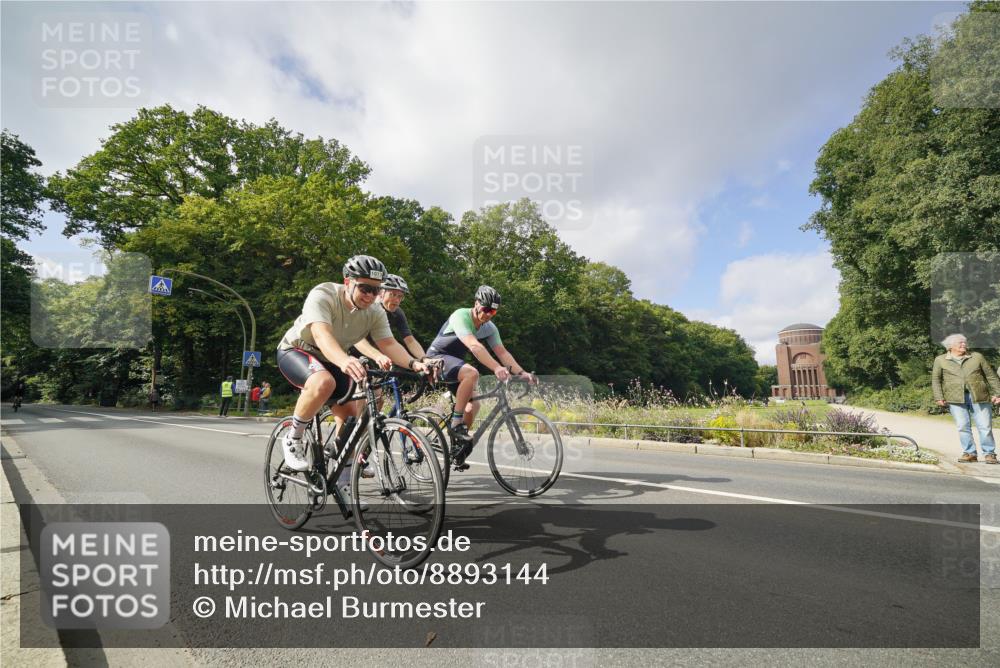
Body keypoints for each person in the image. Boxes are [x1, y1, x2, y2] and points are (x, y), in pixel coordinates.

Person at [275, 255, 435, 483]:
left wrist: (414, 364)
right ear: (348, 282)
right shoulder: (323, 294)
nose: (371, 296)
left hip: (333, 357)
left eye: (376, 290)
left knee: (352, 421)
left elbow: (389, 343)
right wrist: (344, 361)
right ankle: (294, 437)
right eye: (365, 288)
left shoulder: (375, 311)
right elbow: (322, 335)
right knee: (323, 382)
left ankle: (343, 480)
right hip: (300, 349)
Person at [425, 285, 536, 468]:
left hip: (455, 365)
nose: (489, 314)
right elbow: (474, 346)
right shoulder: (460, 315)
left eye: (493, 311)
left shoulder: (490, 328)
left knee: (474, 405)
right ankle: (455, 424)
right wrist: (495, 368)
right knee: (472, 373)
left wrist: (522, 372)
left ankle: (457, 446)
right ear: (476, 304)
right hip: (436, 359)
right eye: (485, 309)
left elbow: (502, 352)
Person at [932, 334, 1000, 464]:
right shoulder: (940, 360)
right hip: (955, 398)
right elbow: (936, 380)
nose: (964, 345)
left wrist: (998, 393)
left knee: (985, 426)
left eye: (964, 342)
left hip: (979, 396)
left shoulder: (977, 357)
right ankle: (970, 453)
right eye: (960, 343)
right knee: (963, 426)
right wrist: (938, 397)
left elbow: (990, 376)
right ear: (950, 346)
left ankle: (990, 454)